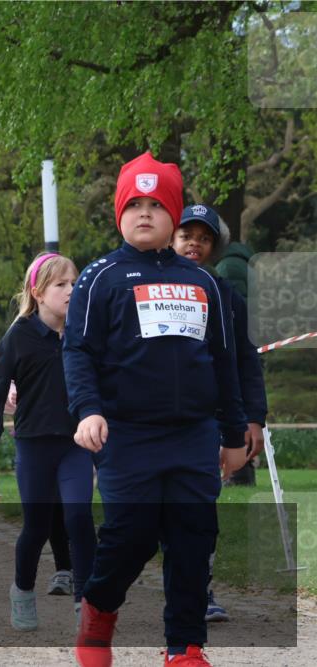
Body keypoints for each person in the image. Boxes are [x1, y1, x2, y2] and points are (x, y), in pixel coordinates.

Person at [66, 153, 247, 667]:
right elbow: (77, 352)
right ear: (119, 214)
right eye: (133, 204)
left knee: (193, 539)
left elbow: (225, 361)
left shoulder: (205, 283)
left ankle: (184, 646)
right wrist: (88, 410)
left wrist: (234, 435)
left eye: (156, 204)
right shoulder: (99, 277)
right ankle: (98, 613)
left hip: (194, 436)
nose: (144, 212)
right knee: (132, 536)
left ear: (174, 214)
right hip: (127, 436)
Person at [0, 252, 95, 630]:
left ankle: (87, 603)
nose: (71, 290)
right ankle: (22, 591)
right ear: (39, 293)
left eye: (75, 283)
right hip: (34, 444)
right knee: (37, 527)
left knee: (79, 518)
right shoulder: (19, 335)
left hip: (76, 444)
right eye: (61, 285)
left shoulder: (85, 331)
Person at [172, 203, 269, 622]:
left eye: (204, 238)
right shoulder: (140, 287)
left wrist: (253, 419)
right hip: (153, 423)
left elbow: (246, 361)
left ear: (215, 246)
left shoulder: (227, 297)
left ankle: (200, 589)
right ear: (170, 239)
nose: (194, 244)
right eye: (186, 236)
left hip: (208, 423)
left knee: (200, 507)